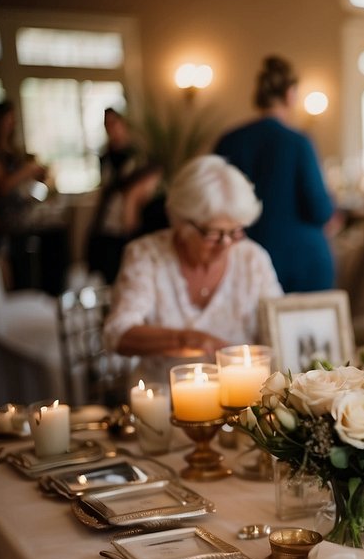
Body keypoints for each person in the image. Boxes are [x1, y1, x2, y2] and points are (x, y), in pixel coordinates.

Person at [103, 155, 282, 372]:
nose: (225, 244)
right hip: (165, 400)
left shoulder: (253, 259)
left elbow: (278, 329)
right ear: (181, 222)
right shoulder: (147, 256)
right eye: (213, 233)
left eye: (234, 232)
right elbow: (117, 334)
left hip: (244, 402)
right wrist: (185, 340)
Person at [214, 56, 335, 292]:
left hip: (243, 256)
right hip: (300, 263)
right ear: (290, 94)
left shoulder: (229, 140)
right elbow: (320, 209)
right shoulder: (298, 142)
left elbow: (215, 203)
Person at [88, 108, 162, 284]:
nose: (112, 129)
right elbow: (105, 190)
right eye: (108, 125)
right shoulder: (106, 158)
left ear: (123, 125)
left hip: (129, 221)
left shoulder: (138, 157)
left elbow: (139, 192)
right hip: (108, 222)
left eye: (115, 124)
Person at [0, 101, 49, 257]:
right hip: (6, 226)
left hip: (26, 222)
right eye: (8, 118)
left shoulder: (12, 151)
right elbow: (2, 187)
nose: (12, 123)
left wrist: (37, 175)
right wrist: (27, 170)